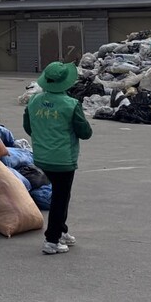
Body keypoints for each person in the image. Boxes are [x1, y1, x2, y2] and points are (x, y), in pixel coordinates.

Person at [23, 61, 93, 255]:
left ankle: (61, 230)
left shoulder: (34, 101)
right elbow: (85, 132)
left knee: (59, 196)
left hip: (41, 157)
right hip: (63, 159)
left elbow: (28, 127)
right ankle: (52, 240)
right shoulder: (71, 104)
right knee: (60, 198)